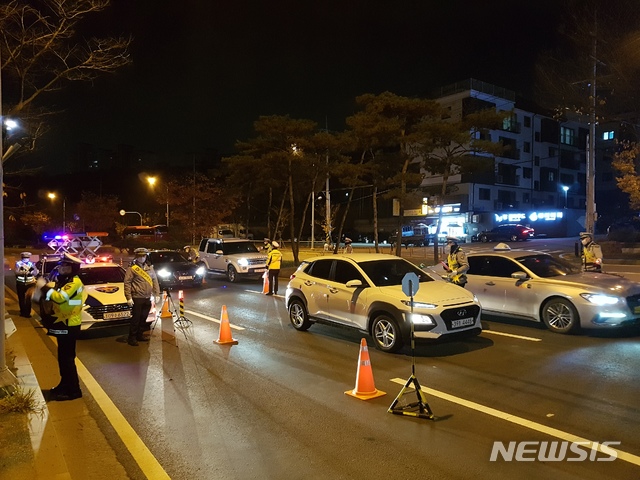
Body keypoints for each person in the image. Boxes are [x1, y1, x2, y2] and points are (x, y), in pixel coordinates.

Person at [43, 253, 85, 401]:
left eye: (65, 265)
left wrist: (45, 288)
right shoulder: (64, 281)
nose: (61, 268)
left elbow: (61, 298)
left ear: (72, 267)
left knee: (67, 359)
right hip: (62, 322)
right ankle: (64, 385)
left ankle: (74, 391)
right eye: (62, 265)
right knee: (62, 358)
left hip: (70, 324)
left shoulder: (75, 282)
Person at [123, 248, 160, 346]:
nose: (142, 258)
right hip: (137, 297)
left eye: (144, 256)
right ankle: (132, 338)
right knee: (136, 319)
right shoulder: (132, 268)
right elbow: (127, 283)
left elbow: (154, 280)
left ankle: (140, 335)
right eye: (140, 256)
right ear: (136, 257)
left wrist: (157, 293)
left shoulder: (149, 267)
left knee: (143, 318)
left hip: (147, 297)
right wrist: (129, 297)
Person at [15, 252, 38, 317]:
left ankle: (27, 313)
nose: (26, 259)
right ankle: (23, 312)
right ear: (22, 258)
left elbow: (35, 273)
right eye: (24, 258)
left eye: (27, 258)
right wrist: (23, 272)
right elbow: (16, 272)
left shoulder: (31, 264)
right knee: (21, 299)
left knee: (28, 299)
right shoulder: (18, 264)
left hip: (30, 284)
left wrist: (31, 272)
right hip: (20, 283)